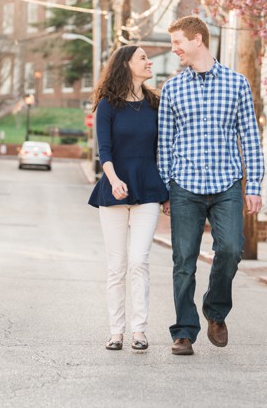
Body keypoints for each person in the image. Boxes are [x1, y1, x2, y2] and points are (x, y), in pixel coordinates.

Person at [157, 16, 264, 356]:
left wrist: (255, 184)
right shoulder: (172, 88)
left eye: (178, 43)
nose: (175, 50)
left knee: (231, 249)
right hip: (185, 186)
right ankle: (184, 331)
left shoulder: (237, 84)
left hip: (226, 184)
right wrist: (165, 188)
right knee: (183, 261)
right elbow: (165, 143)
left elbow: (250, 136)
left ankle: (215, 312)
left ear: (197, 39)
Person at [87, 46, 169, 351]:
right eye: (143, 58)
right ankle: (116, 331)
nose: (149, 62)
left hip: (147, 188)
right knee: (117, 265)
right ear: (126, 64)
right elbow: (104, 151)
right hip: (114, 190)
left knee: (139, 260)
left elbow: (163, 149)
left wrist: (167, 190)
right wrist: (113, 179)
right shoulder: (108, 105)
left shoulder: (154, 103)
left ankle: (140, 330)